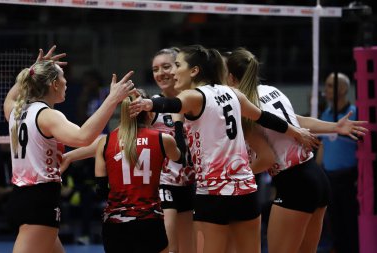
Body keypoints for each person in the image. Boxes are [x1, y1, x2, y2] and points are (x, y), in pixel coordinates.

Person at [129, 44, 319, 253]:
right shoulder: (233, 93)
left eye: (177, 65)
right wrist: (296, 132)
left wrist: (149, 104)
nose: (173, 72)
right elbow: (264, 117)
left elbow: (171, 104)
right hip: (245, 191)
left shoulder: (192, 96)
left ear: (194, 71)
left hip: (212, 194)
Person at [225, 47, 367, 253]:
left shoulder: (245, 109)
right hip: (317, 178)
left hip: (294, 183)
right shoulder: (272, 91)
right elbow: (296, 121)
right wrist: (334, 127)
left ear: (230, 78)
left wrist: (234, 175)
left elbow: (266, 159)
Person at [3, 45, 136, 253]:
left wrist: (34, 69)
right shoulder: (47, 115)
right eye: (63, 77)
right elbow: (83, 137)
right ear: (55, 84)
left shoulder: (16, 110)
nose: (67, 82)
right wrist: (112, 100)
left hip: (22, 197)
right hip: (40, 200)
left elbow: (9, 99)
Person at [94, 90, 184, 253]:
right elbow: (181, 157)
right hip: (150, 221)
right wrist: (178, 122)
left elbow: (100, 190)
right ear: (150, 114)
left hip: (115, 224)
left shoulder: (105, 142)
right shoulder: (162, 139)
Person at [151, 48, 196, 253]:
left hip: (194, 185)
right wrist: (74, 154)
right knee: (169, 249)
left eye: (166, 66)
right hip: (164, 185)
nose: (160, 73)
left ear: (178, 68)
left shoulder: (198, 100)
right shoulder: (150, 105)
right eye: (155, 69)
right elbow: (115, 138)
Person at [316, 72, 360, 253]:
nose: (325, 90)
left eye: (330, 86)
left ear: (343, 89)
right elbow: (322, 146)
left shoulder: (357, 114)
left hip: (350, 179)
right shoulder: (325, 114)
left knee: (351, 225)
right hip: (329, 178)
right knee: (335, 225)